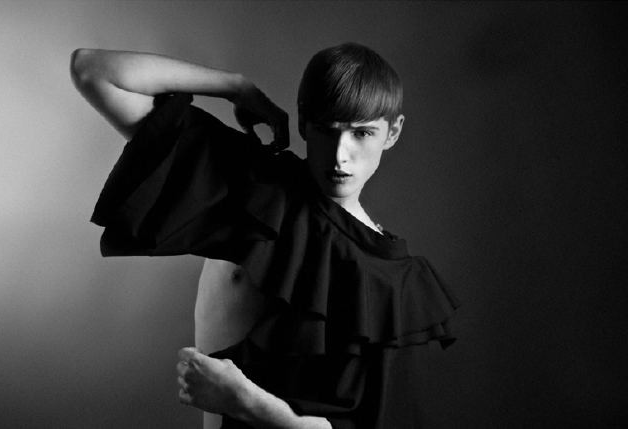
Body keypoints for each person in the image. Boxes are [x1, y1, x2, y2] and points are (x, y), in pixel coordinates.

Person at [70, 43, 459, 428]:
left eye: (362, 133)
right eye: (327, 130)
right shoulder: (251, 185)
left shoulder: (395, 281)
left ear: (392, 132)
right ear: (303, 123)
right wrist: (236, 87)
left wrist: (243, 401)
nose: (341, 154)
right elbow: (92, 70)